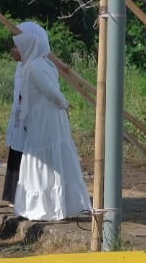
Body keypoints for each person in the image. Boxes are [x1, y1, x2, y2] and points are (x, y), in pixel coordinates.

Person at [6, 22, 91, 221]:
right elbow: (52, 92)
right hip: (44, 118)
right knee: (48, 157)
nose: (15, 49)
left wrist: (62, 102)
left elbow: (51, 92)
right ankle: (50, 205)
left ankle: (51, 205)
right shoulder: (38, 66)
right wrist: (64, 102)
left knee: (50, 157)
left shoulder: (37, 66)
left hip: (48, 119)